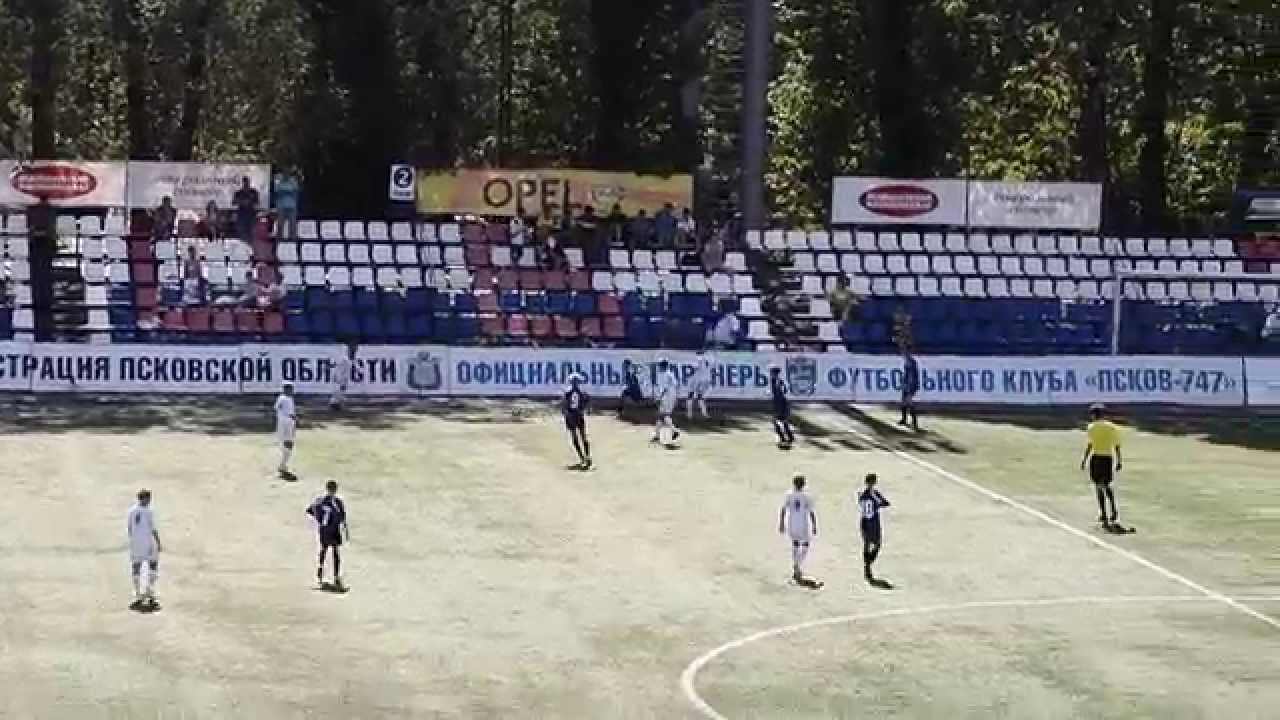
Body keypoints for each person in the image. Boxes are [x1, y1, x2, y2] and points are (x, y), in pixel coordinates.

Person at [1080, 403, 1123, 526]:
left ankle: (1103, 512)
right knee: (1107, 484)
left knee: (1098, 486)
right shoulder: (1112, 427)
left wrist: (1084, 460)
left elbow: (1090, 445)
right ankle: (1113, 509)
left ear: (1094, 415)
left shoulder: (1091, 427)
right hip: (1108, 458)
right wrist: (1119, 460)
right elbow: (1117, 445)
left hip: (1096, 458)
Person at [306, 481, 349, 590]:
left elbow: (310, 510)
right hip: (330, 530)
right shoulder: (336, 502)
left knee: (329, 551)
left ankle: (325, 573)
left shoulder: (321, 501)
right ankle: (332, 575)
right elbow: (342, 517)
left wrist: (319, 520)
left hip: (328, 530)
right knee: (330, 551)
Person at [778, 475, 818, 585]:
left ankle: (796, 566)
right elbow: (811, 512)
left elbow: (783, 509)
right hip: (803, 525)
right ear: (804, 484)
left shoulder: (789, 495)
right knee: (806, 545)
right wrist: (814, 525)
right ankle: (797, 564)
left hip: (792, 524)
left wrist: (781, 523)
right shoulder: (806, 496)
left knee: (795, 544)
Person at [127, 489, 163, 610]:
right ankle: (150, 591)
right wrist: (158, 542)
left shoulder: (131, 511)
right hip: (148, 543)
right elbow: (153, 529)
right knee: (153, 564)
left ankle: (137, 594)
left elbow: (129, 528)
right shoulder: (149, 511)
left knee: (136, 567)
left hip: (136, 544)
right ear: (146, 499)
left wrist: (133, 541)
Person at [858, 473, 891, 586]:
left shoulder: (862, 495)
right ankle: (868, 564)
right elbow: (885, 503)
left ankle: (867, 566)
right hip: (873, 522)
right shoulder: (874, 494)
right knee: (877, 544)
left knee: (867, 543)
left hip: (864, 521)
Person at [562, 373, 592, 469]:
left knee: (578, 437)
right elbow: (587, 402)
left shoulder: (568, 393)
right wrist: (584, 409)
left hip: (573, 416)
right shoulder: (581, 393)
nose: (575, 383)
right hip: (577, 416)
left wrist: (566, 415)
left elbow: (564, 406)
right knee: (582, 437)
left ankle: (584, 457)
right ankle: (586, 457)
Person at [651, 357, 681, 446]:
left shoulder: (663, 375)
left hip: (666, 396)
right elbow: (676, 385)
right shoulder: (670, 374)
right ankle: (657, 435)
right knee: (661, 416)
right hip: (672, 396)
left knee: (663, 415)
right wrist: (676, 397)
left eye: (659, 365)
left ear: (662, 366)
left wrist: (660, 397)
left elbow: (665, 388)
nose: (658, 367)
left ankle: (674, 431)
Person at [275, 382, 298, 479]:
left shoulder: (284, 398)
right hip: (286, 424)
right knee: (288, 445)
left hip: (286, 424)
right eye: (290, 388)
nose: (292, 390)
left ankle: (283, 465)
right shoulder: (285, 399)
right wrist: (293, 418)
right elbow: (288, 413)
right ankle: (282, 465)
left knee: (287, 445)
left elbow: (277, 408)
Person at [769, 365, 795, 448]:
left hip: (781, 403)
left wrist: (779, 404)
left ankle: (784, 438)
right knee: (782, 422)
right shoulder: (775, 380)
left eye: (771, 372)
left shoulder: (778, 381)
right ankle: (789, 437)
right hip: (779, 403)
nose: (770, 373)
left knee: (778, 421)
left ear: (774, 373)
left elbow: (782, 392)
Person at [685, 349, 714, 420]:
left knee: (691, 396)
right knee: (699, 397)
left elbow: (693, 369)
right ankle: (704, 414)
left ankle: (690, 414)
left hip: (696, 380)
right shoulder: (708, 360)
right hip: (702, 380)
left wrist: (689, 372)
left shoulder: (699, 360)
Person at [273, 171, 300, 239]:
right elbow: (277, 192)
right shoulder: (278, 179)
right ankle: (279, 241)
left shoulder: (293, 180)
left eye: (287, 172)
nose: (286, 174)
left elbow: (295, 192)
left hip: (292, 206)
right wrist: (288, 191)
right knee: (280, 225)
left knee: (293, 225)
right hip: (281, 206)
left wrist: (285, 191)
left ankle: (292, 241)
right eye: (284, 172)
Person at [330, 343, 357, 410]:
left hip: (343, 378)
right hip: (340, 378)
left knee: (342, 391)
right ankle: (334, 404)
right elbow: (338, 369)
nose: (353, 352)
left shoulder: (349, 360)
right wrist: (340, 380)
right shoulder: (344, 359)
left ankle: (337, 403)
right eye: (352, 351)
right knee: (338, 391)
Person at [233, 177, 260, 243]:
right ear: (242, 183)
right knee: (241, 230)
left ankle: (251, 243)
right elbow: (233, 202)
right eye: (244, 182)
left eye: (247, 182)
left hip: (251, 213)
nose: (246, 183)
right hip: (241, 213)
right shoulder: (238, 192)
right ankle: (244, 243)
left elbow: (257, 202)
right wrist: (241, 201)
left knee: (252, 230)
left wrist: (250, 201)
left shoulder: (254, 192)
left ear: (249, 182)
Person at [899, 345, 920, 431]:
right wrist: (903, 383)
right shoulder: (907, 361)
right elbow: (906, 374)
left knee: (909, 402)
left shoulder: (911, 362)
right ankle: (904, 419)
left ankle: (914, 423)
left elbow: (912, 376)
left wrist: (909, 386)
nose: (903, 354)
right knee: (903, 402)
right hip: (907, 385)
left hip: (911, 385)